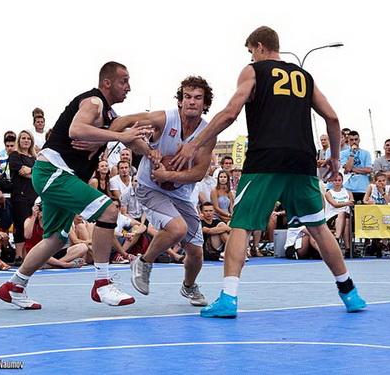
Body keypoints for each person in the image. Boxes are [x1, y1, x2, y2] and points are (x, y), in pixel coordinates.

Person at [172, 26, 366, 317]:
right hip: (302, 159)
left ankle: (228, 297)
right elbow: (333, 118)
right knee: (318, 226)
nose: (251, 56)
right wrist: (336, 158)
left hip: (266, 158)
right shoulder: (304, 76)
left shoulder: (253, 71)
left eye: (251, 51)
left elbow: (229, 113)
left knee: (241, 224)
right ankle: (350, 293)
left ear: (260, 47)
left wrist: (193, 144)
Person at [0, 61, 149, 309]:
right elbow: (77, 129)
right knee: (109, 211)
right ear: (107, 83)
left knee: (56, 238)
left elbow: (132, 139)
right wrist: (119, 136)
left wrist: (154, 156)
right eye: (124, 81)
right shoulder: (94, 102)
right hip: (53, 170)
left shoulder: (110, 115)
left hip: (59, 174)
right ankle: (102, 284)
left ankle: (14, 285)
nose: (129, 87)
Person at [112, 75, 216, 306]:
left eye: (198, 98)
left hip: (181, 193)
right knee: (177, 228)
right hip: (150, 187)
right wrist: (147, 149)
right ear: (180, 101)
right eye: (187, 97)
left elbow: (198, 173)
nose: (191, 102)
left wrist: (169, 175)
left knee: (196, 253)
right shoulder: (164, 119)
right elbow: (123, 124)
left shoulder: (207, 133)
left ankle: (189, 287)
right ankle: (143, 262)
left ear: (205, 104)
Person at [9, 130, 38, 265]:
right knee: (20, 225)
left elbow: (39, 174)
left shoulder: (35, 158)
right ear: (19, 141)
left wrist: (31, 171)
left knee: (33, 225)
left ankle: (31, 255)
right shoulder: (15, 155)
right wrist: (32, 173)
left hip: (34, 195)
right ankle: (18, 256)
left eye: (28, 138)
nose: (26, 140)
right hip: (19, 196)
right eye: (23, 138)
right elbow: (19, 171)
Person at [343, 130, 372, 202]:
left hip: (363, 187)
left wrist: (352, 169)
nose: (354, 142)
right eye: (351, 140)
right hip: (348, 188)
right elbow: (347, 169)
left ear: (359, 140)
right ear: (348, 141)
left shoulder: (366, 153)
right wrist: (352, 153)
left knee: (363, 212)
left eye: (356, 139)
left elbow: (368, 170)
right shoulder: (343, 153)